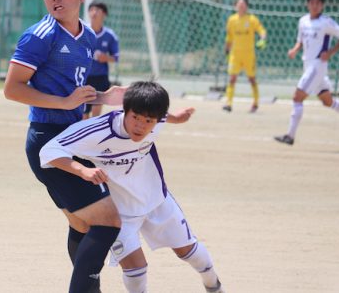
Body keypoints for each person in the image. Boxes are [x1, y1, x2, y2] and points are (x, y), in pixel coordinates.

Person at [4, 0, 126, 293]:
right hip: (47, 141)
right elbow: (12, 89)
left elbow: (75, 92)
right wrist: (64, 103)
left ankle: (87, 288)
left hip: (73, 138)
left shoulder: (87, 38)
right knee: (109, 219)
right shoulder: (39, 36)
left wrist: (105, 97)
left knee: (84, 224)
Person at [40, 81, 225, 293]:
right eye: (135, 117)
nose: (140, 125)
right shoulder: (97, 130)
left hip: (156, 200)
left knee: (189, 252)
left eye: (148, 121)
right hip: (120, 213)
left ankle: (214, 285)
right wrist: (82, 170)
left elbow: (163, 116)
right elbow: (48, 151)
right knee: (136, 268)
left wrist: (178, 118)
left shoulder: (157, 121)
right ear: (124, 110)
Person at [274, 0, 339, 145]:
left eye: (318, 3)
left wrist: (330, 52)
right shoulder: (303, 21)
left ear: (322, 6)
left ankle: (290, 136)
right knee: (328, 101)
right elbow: (300, 40)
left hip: (317, 65)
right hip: (307, 65)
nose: (315, 5)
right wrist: (294, 49)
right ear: (308, 4)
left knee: (297, 97)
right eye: (312, 2)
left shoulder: (326, 22)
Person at [222, 0, 267, 113]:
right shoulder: (231, 20)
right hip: (235, 55)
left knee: (252, 79)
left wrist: (263, 39)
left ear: (246, 6)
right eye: (239, 4)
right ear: (236, 6)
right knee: (232, 79)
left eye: (243, 4)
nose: (241, 6)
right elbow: (229, 37)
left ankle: (256, 103)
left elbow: (262, 31)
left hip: (248, 55)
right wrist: (226, 49)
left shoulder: (252, 19)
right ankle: (228, 103)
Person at [83, 0, 120, 119]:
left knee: (96, 111)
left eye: (97, 10)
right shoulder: (82, 31)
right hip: (83, 75)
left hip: (100, 76)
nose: (94, 13)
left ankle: (93, 134)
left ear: (104, 14)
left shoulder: (110, 35)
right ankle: (83, 136)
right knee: (83, 112)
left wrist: (105, 58)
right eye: (91, 9)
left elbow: (116, 57)